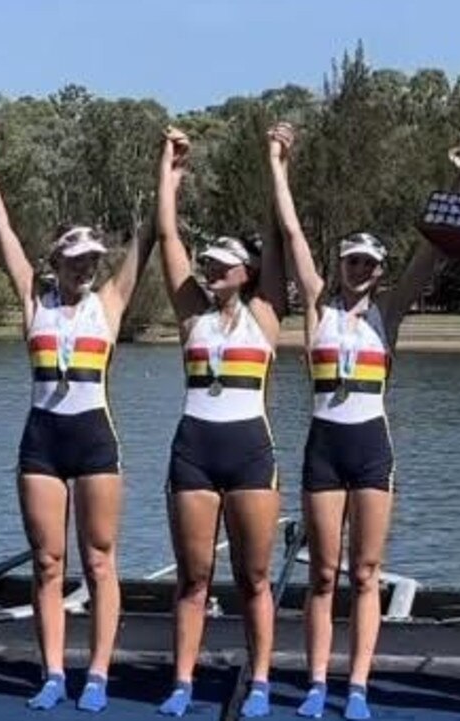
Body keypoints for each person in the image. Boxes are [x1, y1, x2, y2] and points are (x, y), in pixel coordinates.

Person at [0, 121, 157, 713]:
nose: (85, 267)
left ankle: (97, 673)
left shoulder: (110, 303)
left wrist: (166, 171)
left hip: (95, 440)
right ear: (55, 260)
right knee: (49, 563)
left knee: (99, 560)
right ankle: (53, 672)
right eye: (74, 259)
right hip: (42, 442)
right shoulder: (33, 297)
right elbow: (0, 226)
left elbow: (151, 237)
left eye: (92, 260)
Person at [267, 121, 441, 720]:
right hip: (323, 447)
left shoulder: (389, 312)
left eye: (369, 263)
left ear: (379, 270)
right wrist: (277, 162)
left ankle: (358, 685)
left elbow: (431, 251)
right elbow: (290, 232)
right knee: (321, 572)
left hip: (371, 449)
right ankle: (317, 682)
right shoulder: (318, 304)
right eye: (351, 261)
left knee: (364, 573)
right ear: (340, 264)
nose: (359, 269)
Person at [152, 128, 287, 717]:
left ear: (248, 273)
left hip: (250, 452)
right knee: (193, 577)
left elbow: (283, 235)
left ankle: (260, 680)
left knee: (254, 577)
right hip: (194, 452)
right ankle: (181, 682)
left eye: (221, 264)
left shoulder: (266, 314)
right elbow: (166, 236)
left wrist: (275, 161)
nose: (208, 270)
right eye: (206, 263)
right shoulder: (190, 314)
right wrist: (168, 171)